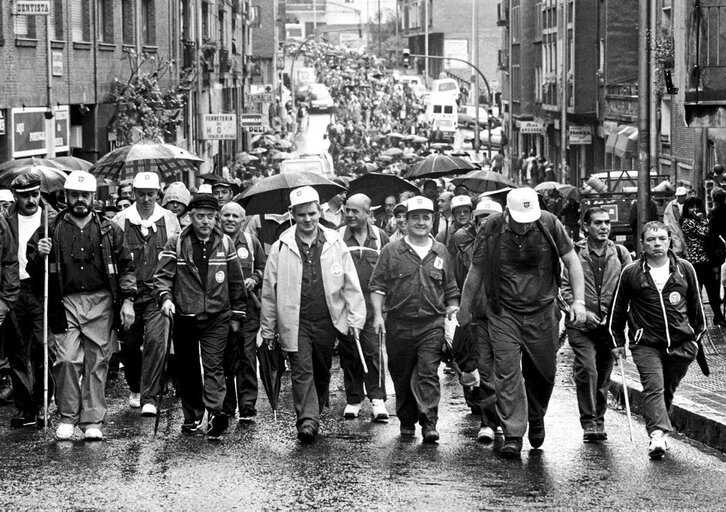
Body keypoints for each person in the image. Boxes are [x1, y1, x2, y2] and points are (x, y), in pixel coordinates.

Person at [458, 187, 586, 458]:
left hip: (542, 311)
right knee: (506, 372)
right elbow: (477, 269)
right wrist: (464, 307)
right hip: (503, 312)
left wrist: (579, 302)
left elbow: (572, 261)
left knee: (544, 373)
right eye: (520, 219)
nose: (526, 224)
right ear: (507, 213)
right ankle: (513, 433)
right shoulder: (491, 228)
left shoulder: (550, 223)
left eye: (529, 218)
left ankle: (536, 416)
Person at [28, 171, 136, 441]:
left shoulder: (110, 229)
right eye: (74, 195)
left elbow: (126, 267)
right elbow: (33, 270)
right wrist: (38, 253)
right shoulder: (49, 227)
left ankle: (92, 420)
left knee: (97, 361)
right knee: (65, 359)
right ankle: (67, 416)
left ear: (93, 197)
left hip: (101, 301)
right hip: (64, 301)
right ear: (66, 196)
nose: (79, 200)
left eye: (84, 195)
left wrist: (128, 301)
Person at [260, 186, 365, 444]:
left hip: (327, 319)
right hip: (295, 320)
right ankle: (307, 420)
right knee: (301, 368)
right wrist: (268, 327)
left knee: (321, 367)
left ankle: (316, 405)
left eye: (311, 213)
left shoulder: (334, 241)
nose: (307, 219)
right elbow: (269, 290)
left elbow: (350, 282)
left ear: (319, 211)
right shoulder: (281, 246)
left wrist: (355, 317)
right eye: (301, 215)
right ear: (292, 214)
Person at [609, 221, 706, 460]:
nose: (657, 244)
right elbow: (617, 309)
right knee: (654, 387)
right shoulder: (631, 272)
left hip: (681, 344)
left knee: (667, 390)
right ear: (642, 243)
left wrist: (696, 338)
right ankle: (657, 435)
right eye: (651, 240)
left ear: (669, 241)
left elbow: (697, 307)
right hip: (646, 344)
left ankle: (660, 428)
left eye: (662, 238)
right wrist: (617, 340)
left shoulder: (685, 269)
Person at [154, 192, 247, 440]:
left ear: (215, 217)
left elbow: (236, 283)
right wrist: (166, 299)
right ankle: (192, 415)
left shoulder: (225, 244)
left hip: (217, 316)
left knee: (213, 364)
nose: (205, 222)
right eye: (199, 217)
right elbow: (163, 278)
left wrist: (238, 315)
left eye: (209, 217)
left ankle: (216, 414)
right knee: (188, 369)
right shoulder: (176, 243)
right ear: (190, 217)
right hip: (185, 315)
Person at [369, 196, 460, 443]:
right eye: (415, 218)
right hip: (398, 323)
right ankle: (407, 420)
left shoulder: (440, 250)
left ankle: (429, 422)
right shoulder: (391, 251)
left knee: (428, 373)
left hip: (431, 324)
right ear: (405, 222)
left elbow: (450, 287)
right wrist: (378, 316)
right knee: (401, 373)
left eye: (426, 218)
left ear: (433, 221)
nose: (421, 222)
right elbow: (377, 286)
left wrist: (453, 307)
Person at [112, 172, 181, 416]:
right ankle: (135, 386)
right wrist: (123, 299)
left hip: (157, 294)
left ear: (157, 194)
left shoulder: (170, 220)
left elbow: (176, 258)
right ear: (133, 193)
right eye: (140, 194)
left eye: (150, 194)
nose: (145, 199)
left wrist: (171, 293)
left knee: (155, 341)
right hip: (129, 295)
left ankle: (150, 397)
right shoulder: (121, 220)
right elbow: (116, 260)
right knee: (129, 347)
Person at [562, 207, 631, 442]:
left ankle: (599, 417)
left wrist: (621, 319)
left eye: (607, 223)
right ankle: (589, 421)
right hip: (581, 323)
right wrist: (582, 309)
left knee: (603, 374)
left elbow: (630, 287)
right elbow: (563, 287)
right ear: (585, 227)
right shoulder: (573, 253)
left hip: (609, 327)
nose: (604, 227)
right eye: (598, 223)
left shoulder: (621, 253)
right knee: (587, 369)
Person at [5, 173, 53, 427]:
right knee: (17, 351)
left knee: (43, 346)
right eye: (25, 196)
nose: (31, 200)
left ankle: (44, 403)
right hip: (13, 290)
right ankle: (25, 409)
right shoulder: (5, 220)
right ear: (15, 196)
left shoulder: (52, 219)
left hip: (40, 288)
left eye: (35, 194)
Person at [338, 193, 389, 421]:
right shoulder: (338, 237)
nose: (349, 215)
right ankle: (354, 399)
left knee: (374, 351)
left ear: (368, 214)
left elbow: (389, 271)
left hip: (374, 306)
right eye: (347, 210)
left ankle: (378, 399)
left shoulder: (380, 238)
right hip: (348, 307)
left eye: (355, 211)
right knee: (350, 352)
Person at [219, 202, 266, 422]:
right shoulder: (214, 242)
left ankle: (247, 404)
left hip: (248, 309)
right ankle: (227, 404)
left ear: (242, 219)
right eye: (226, 215)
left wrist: (254, 279)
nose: (230, 219)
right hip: (220, 310)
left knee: (247, 355)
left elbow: (263, 269)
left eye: (235, 216)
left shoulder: (251, 242)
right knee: (225, 357)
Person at [679, 196, 726, 326]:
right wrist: (704, 220)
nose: (695, 210)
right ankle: (698, 319)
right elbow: (707, 233)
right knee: (696, 292)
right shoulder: (687, 222)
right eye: (691, 207)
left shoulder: (698, 220)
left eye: (697, 207)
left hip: (706, 260)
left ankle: (718, 316)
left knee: (713, 291)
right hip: (696, 261)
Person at [663, 187, 688, 258]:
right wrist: (668, 227)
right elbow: (666, 216)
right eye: (679, 196)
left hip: (686, 231)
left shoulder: (688, 204)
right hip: (675, 230)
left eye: (682, 196)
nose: (680, 198)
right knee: (677, 249)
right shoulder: (672, 205)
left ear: (685, 196)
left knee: (687, 249)